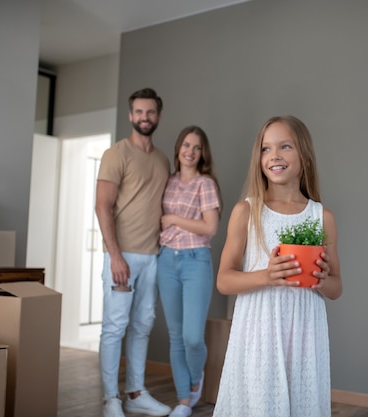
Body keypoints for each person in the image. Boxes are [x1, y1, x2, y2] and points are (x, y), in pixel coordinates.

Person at [212, 115, 342, 417]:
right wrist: (267, 275)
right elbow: (224, 281)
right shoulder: (246, 211)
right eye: (266, 149)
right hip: (258, 333)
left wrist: (322, 280)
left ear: (305, 156)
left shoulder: (323, 217)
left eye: (285, 146)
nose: (275, 156)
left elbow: (337, 287)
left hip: (305, 336)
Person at [95, 87, 173, 417]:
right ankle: (111, 398)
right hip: (122, 256)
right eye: (139, 112)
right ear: (130, 115)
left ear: (158, 116)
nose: (144, 117)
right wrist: (115, 256)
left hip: (153, 256)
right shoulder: (116, 154)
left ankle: (136, 393)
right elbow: (102, 206)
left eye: (150, 112)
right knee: (115, 326)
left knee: (143, 325)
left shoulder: (162, 160)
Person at [156, 125, 222, 417]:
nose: (190, 151)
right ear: (178, 148)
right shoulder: (168, 181)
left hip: (196, 261)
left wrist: (173, 219)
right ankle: (183, 401)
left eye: (197, 147)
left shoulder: (205, 184)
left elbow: (210, 228)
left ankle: (195, 380)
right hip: (166, 261)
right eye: (186, 145)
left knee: (192, 337)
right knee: (175, 335)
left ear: (202, 153)